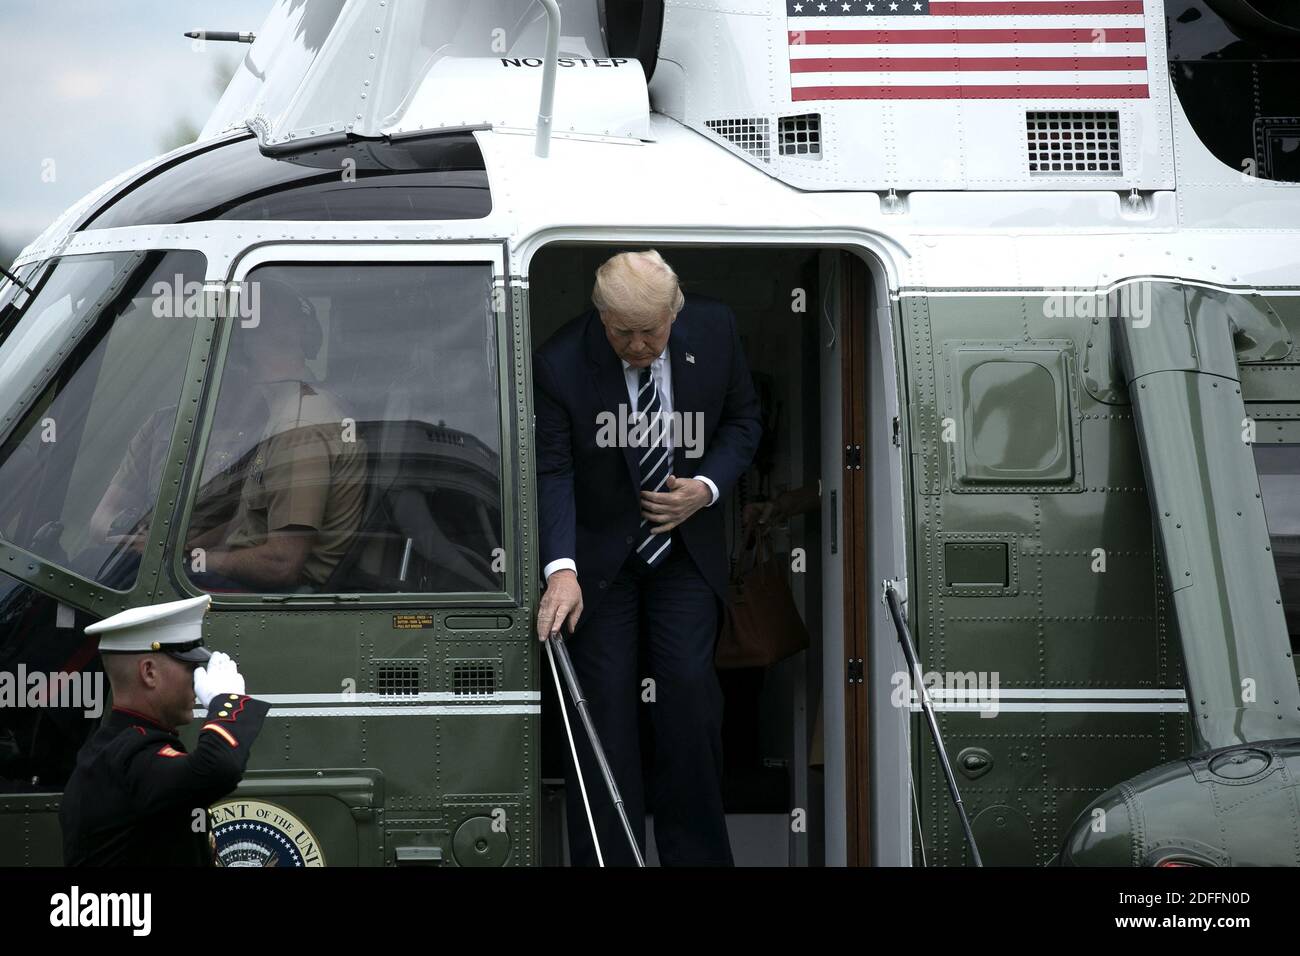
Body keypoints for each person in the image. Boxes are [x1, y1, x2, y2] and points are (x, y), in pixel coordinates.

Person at [534, 250, 762, 866]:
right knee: (604, 712)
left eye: (650, 333)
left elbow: (743, 421)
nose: (636, 346)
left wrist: (707, 488)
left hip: (684, 555)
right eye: (621, 332)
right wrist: (561, 571)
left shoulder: (714, 329)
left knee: (688, 701)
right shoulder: (560, 361)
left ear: (675, 313)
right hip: (599, 564)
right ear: (599, 317)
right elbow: (552, 470)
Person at [89, 277, 367, 592]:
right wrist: (174, 549)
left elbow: (282, 564)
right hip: (246, 576)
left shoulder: (299, 425)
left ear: (238, 349)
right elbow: (243, 525)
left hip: (270, 593)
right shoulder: (283, 415)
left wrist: (191, 560)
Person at [59, 594, 270, 865]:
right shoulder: (132, 755)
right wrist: (228, 703)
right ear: (149, 673)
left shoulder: (112, 747)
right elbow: (217, 767)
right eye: (190, 668)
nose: (197, 681)